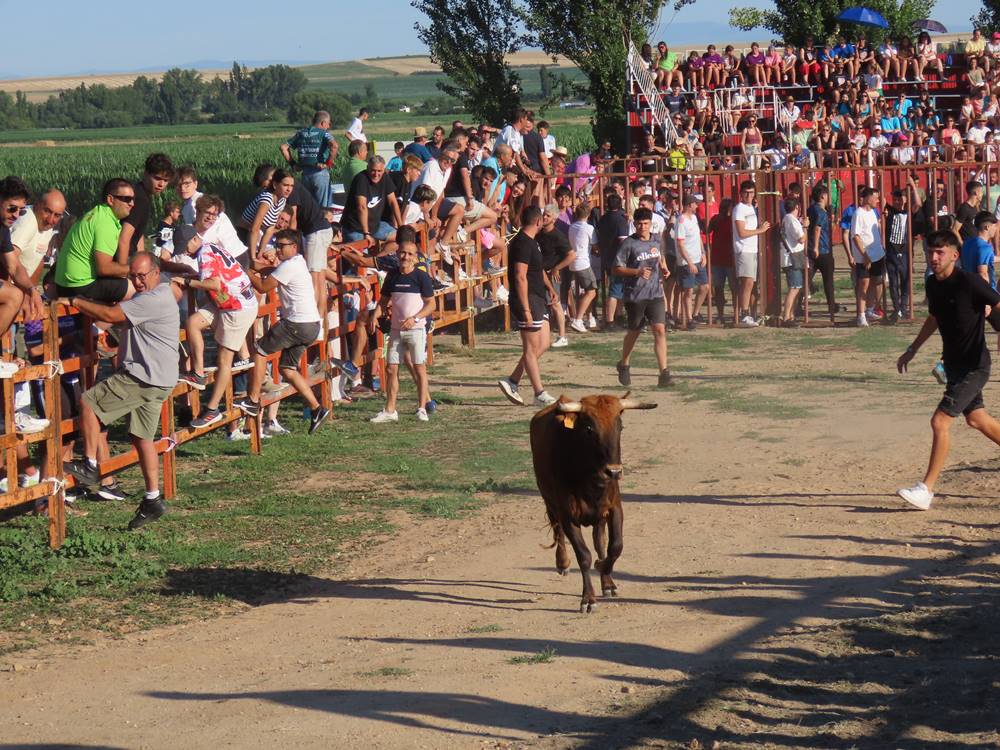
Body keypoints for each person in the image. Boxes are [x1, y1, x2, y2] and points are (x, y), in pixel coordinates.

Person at [62, 252, 182, 530]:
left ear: (156, 272)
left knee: (89, 403)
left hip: (143, 376)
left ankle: (90, 465)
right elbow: (119, 320)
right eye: (133, 276)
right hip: (161, 378)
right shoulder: (162, 293)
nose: (137, 281)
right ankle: (152, 498)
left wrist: (75, 300)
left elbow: (112, 314)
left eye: (142, 275)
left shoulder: (152, 299)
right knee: (142, 438)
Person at [896, 230, 1000, 510]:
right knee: (977, 419)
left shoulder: (969, 282)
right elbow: (934, 318)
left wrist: (994, 319)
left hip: (974, 366)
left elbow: (996, 303)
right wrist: (912, 349)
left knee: (940, 421)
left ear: (955, 255)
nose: (933, 257)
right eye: (930, 252)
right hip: (953, 365)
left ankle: (926, 490)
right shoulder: (933, 285)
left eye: (940, 252)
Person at [175, 196, 259, 429]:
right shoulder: (212, 245)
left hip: (238, 307)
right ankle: (199, 372)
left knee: (224, 359)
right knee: (193, 322)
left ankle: (212, 410)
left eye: (190, 241)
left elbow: (214, 284)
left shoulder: (205, 251)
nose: (188, 245)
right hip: (229, 300)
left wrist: (187, 282)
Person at [236, 229, 330, 434]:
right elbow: (272, 271)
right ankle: (317, 408)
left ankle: (252, 400)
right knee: (287, 368)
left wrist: (245, 271)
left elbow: (261, 287)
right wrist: (257, 267)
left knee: (260, 351)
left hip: (296, 323)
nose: (277, 249)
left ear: (294, 247)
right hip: (311, 325)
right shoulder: (298, 262)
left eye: (282, 246)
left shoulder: (288, 266)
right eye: (276, 245)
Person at [369, 238, 435, 424]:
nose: (405, 257)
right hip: (396, 330)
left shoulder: (421, 277)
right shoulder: (392, 276)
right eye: (402, 253)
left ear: (415, 258)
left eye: (409, 254)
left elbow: (431, 304)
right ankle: (390, 409)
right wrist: (375, 315)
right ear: (397, 254)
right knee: (391, 368)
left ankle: (422, 408)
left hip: (416, 330)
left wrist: (415, 318)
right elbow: (383, 301)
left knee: (419, 368)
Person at [496, 206, 556, 407]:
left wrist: (550, 287)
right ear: (538, 221)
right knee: (530, 348)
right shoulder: (521, 243)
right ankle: (539, 392)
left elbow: (537, 270)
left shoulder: (532, 242)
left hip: (538, 296)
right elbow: (520, 276)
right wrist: (526, 309)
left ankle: (512, 379)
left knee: (544, 342)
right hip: (527, 299)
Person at [614, 207, 671, 388]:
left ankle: (664, 373)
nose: (642, 227)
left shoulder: (655, 239)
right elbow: (616, 268)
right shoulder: (629, 244)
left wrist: (664, 267)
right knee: (635, 331)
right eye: (639, 224)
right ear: (634, 224)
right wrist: (636, 271)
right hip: (635, 294)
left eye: (645, 224)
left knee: (660, 330)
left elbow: (659, 256)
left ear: (650, 224)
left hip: (655, 293)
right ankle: (624, 363)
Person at [54, 178, 135, 304]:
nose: (132, 204)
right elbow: (104, 268)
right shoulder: (106, 222)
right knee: (134, 287)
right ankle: (100, 324)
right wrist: (134, 269)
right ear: (111, 200)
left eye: (133, 199)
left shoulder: (97, 213)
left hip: (64, 284)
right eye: (126, 199)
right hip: (78, 286)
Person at [116, 153, 175, 262]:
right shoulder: (140, 200)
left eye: (166, 180)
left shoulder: (139, 191)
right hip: (121, 258)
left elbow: (137, 233)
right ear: (146, 174)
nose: (161, 184)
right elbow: (123, 239)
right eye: (157, 178)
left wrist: (141, 260)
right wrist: (122, 272)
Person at [732, 180, 770, 327]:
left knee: (751, 283)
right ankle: (744, 313)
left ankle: (749, 312)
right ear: (741, 194)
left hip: (752, 249)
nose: (749, 195)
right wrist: (760, 230)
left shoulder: (752, 208)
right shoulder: (739, 209)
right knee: (747, 282)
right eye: (746, 192)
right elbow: (741, 232)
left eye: (751, 192)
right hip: (743, 249)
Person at [281, 110, 337, 209]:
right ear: (323, 123)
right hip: (320, 173)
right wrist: (328, 163)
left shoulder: (300, 133)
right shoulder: (324, 134)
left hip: (305, 175)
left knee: (308, 207)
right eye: (328, 124)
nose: (328, 127)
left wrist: (293, 164)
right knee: (322, 209)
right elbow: (334, 146)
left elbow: (283, 147)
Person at [9, 187, 64, 288]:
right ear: (37, 204)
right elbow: (7, 261)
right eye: (47, 211)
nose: (50, 220)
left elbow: (39, 259)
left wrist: (31, 292)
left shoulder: (46, 225)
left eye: (57, 215)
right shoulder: (27, 223)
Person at [237, 166, 294, 263]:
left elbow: (270, 229)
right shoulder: (267, 200)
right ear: (275, 185)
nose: (289, 189)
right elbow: (254, 229)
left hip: (258, 234)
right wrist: (253, 257)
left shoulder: (282, 201)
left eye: (291, 186)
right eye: (285, 185)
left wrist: (260, 253)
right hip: (245, 233)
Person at [341, 155, 402, 245]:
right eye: (373, 170)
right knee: (361, 255)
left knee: (401, 239)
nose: (376, 174)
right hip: (355, 228)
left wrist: (401, 226)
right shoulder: (361, 179)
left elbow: (393, 202)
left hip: (375, 226)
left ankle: (379, 258)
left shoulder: (385, 177)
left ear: (383, 170)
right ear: (367, 168)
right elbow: (361, 207)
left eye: (379, 171)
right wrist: (366, 233)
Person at [849, 186, 886, 326]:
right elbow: (855, 236)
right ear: (868, 198)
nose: (877, 200)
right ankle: (861, 315)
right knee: (863, 284)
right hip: (864, 256)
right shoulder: (858, 214)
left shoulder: (873, 212)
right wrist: (864, 255)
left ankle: (870, 309)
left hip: (877, 254)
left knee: (875, 281)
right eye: (875, 197)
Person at [538, 204, 573, 348]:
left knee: (556, 304)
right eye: (544, 214)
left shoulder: (558, 236)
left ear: (554, 219)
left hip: (553, 275)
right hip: (541, 273)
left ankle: (562, 336)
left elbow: (571, 255)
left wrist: (556, 268)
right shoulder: (539, 233)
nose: (545, 217)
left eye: (548, 215)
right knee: (546, 305)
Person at [674, 194, 708, 331]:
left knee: (704, 287)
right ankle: (688, 319)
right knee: (688, 291)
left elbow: (698, 236)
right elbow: (680, 244)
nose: (697, 206)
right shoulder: (681, 220)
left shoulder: (693, 218)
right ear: (689, 205)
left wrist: (703, 253)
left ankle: (695, 313)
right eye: (695, 204)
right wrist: (689, 262)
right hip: (687, 261)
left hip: (697, 258)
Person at [567, 202, 598, 333]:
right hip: (583, 262)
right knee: (592, 291)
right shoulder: (589, 228)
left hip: (573, 262)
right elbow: (595, 245)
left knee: (585, 292)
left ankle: (588, 317)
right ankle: (578, 319)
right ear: (589, 214)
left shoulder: (572, 227)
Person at [807, 185, 836, 323]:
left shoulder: (810, 209)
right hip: (822, 250)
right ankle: (831, 307)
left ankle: (798, 306)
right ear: (823, 196)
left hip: (810, 249)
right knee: (828, 281)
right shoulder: (822, 213)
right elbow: (817, 229)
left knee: (806, 279)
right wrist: (816, 247)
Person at [779, 199, 807, 327]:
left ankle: (790, 315)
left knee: (796, 286)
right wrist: (805, 227)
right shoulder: (791, 219)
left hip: (789, 257)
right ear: (797, 207)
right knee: (794, 287)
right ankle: (786, 317)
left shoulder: (786, 219)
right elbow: (801, 239)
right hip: (792, 258)